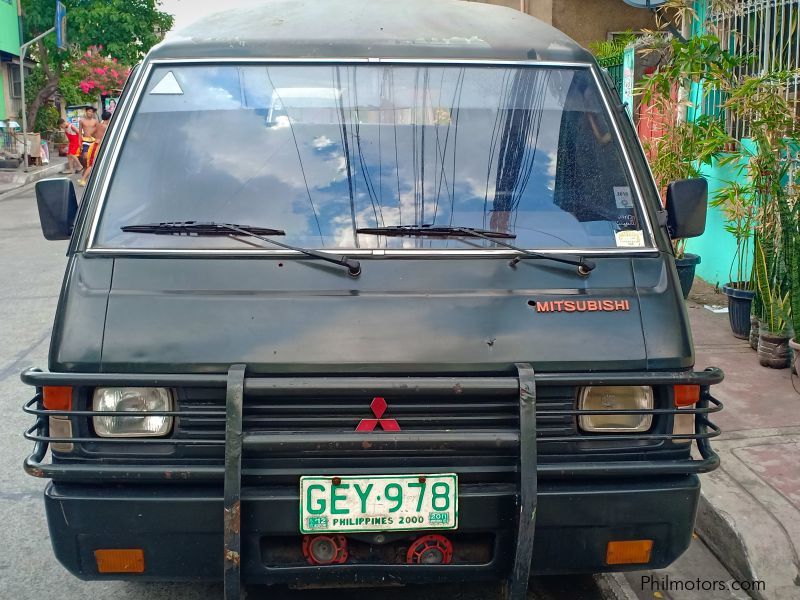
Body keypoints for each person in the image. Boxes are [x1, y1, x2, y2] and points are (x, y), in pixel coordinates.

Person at [79, 110, 111, 187]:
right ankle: (83, 179)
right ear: (109, 118)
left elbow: (91, 133)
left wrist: (97, 138)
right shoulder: (107, 127)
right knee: (92, 164)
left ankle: (87, 179)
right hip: (99, 146)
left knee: (95, 163)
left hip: (96, 145)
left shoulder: (99, 125)